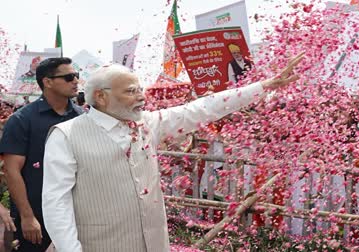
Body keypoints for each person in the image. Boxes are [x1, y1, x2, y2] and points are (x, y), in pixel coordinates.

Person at [42, 53, 304, 252]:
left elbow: (203, 108)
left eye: (140, 89)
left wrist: (265, 86)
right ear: (100, 97)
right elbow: (57, 203)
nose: (141, 97)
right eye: (131, 91)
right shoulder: (65, 135)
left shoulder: (148, 124)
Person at [0, 57, 82, 252]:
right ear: (48, 82)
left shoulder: (81, 117)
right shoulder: (22, 120)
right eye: (69, 77)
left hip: (75, 215)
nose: (76, 81)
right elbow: (12, 172)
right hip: (37, 217)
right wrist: (27, 217)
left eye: (77, 76)